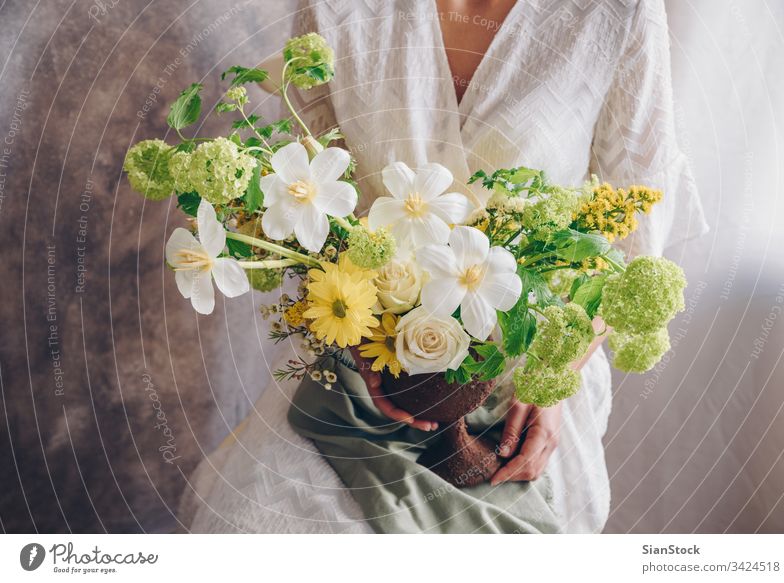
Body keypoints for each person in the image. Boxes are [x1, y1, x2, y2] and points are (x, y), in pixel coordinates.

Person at [180, 0, 707, 533]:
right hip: (367, 362)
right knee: (257, 524)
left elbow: (638, 237)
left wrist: (552, 377)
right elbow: (313, 195)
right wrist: (369, 344)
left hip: (531, 372)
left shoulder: (618, 12)